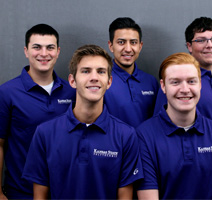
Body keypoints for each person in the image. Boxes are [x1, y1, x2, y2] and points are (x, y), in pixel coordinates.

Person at [22, 44, 143, 199]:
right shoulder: (45, 133)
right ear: (72, 81)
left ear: (109, 81)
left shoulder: (126, 135)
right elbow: (40, 196)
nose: (94, 77)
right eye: (86, 71)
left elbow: (124, 197)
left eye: (101, 71)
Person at [137, 52, 212, 199]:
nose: (185, 89)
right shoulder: (144, 136)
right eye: (175, 82)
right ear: (163, 86)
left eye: (191, 81)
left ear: (200, 84)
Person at [0, 24, 76, 199]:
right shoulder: (7, 92)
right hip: (21, 192)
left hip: (64, 191)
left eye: (50, 47)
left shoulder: (72, 91)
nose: (44, 53)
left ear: (58, 51)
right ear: (26, 51)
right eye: (37, 47)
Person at [154, 17, 212, 161]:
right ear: (189, 46)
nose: (210, 45)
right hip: (191, 161)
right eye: (201, 40)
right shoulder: (176, 83)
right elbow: (160, 125)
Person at [104, 17, 159, 128]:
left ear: (140, 46)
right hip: (114, 145)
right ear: (111, 46)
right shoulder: (101, 80)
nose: (128, 49)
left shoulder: (151, 82)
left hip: (146, 144)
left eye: (133, 42)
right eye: (121, 42)